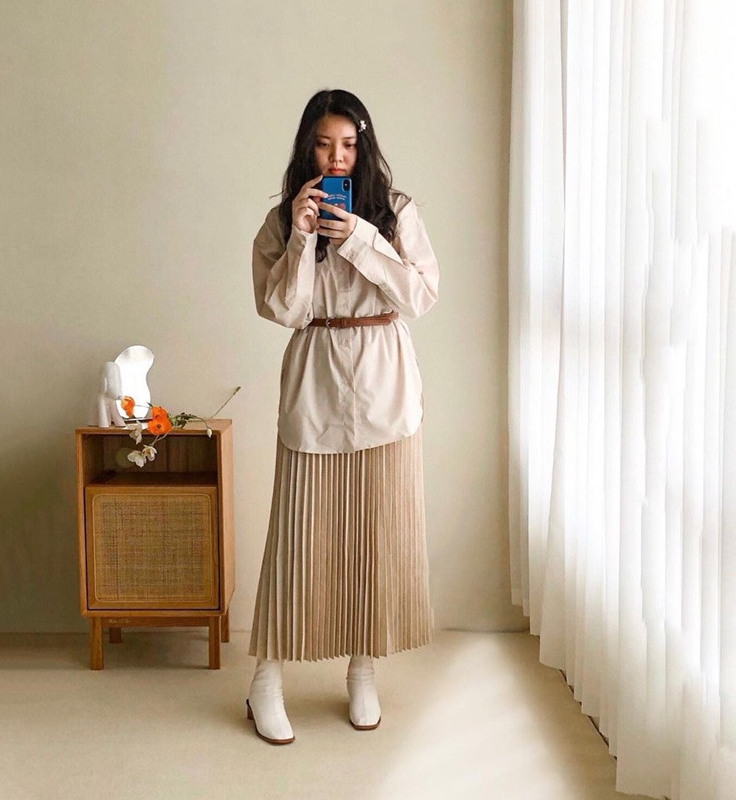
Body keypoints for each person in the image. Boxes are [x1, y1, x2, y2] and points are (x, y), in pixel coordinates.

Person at [248, 89, 439, 745]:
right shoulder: (281, 221)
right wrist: (302, 239)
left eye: (349, 145)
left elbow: (420, 295)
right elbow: (282, 310)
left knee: (375, 535)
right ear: (308, 147)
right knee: (298, 535)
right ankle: (265, 680)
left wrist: (360, 238)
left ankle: (363, 670)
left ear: (364, 147)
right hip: (317, 377)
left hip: (385, 379)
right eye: (325, 144)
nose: (337, 157)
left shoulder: (396, 212)